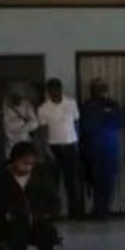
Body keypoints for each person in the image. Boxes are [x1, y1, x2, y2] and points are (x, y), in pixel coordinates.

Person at [38, 78, 83, 219]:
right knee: (53, 183)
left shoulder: (71, 104)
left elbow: (76, 124)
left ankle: (75, 214)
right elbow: (43, 130)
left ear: (60, 89)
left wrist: (77, 142)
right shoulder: (43, 108)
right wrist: (45, 149)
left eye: (56, 90)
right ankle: (54, 213)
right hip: (54, 148)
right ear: (48, 92)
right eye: (51, 91)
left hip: (70, 146)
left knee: (72, 182)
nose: (54, 93)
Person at [80, 79, 123, 220]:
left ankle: (104, 210)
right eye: (95, 88)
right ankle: (97, 210)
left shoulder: (112, 104)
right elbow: (85, 126)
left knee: (109, 179)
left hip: (110, 148)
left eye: (101, 88)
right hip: (92, 148)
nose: (98, 91)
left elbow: (118, 123)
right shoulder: (86, 105)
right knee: (95, 179)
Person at [4, 88, 40, 159]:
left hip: (25, 140)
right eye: (16, 97)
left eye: (20, 97)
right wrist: (22, 122)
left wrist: (23, 128)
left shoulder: (27, 104)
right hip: (11, 141)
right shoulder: (6, 106)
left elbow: (35, 123)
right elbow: (7, 125)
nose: (18, 99)